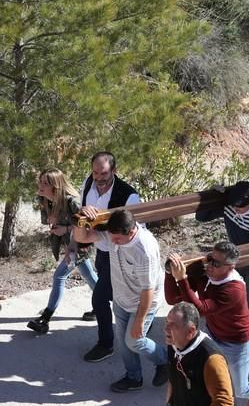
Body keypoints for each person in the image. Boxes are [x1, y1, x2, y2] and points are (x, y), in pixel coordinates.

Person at [73, 209, 168, 392]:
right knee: (124, 343)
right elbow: (83, 237)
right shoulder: (113, 234)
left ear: (131, 232)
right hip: (121, 298)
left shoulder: (143, 250)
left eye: (117, 240)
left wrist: (139, 320)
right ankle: (133, 378)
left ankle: (165, 360)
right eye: (112, 238)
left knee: (134, 341)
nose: (113, 243)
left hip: (143, 302)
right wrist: (80, 220)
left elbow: (148, 289)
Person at [164, 241, 249, 402]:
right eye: (209, 258)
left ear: (231, 267)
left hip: (235, 342)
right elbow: (173, 298)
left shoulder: (233, 290)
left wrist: (182, 279)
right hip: (214, 333)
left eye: (215, 263)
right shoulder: (204, 273)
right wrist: (170, 273)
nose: (209, 265)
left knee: (240, 389)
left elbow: (199, 310)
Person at [195, 180, 249, 354]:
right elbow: (201, 217)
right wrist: (215, 195)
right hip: (238, 262)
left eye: (241, 208)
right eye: (234, 207)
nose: (236, 211)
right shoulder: (230, 207)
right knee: (235, 301)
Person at [80, 151, 140, 363]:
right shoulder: (88, 184)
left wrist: (102, 229)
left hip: (122, 256)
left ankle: (106, 344)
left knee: (99, 298)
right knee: (116, 297)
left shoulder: (129, 195)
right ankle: (139, 328)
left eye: (103, 173)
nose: (98, 177)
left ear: (114, 170)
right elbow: (82, 213)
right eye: (95, 172)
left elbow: (136, 230)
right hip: (102, 252)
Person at [27, 168, 98, 334]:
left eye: (46, 183)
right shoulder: (45, 199)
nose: (41, 185)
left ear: (56, 186)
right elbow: (46, 220)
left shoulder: (71, 202)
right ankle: (104, 303)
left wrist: (65, 229)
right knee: (89, 275)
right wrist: (53, 220)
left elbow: (86, 225)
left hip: (80, 244)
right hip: (69, 244)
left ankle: (45, 318)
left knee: (59, 275)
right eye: (40, 181)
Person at [165, 302, 233, 406]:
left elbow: (224, 402)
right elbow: (173, 379)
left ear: (191, 331)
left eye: (173, 326)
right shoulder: (174, 343)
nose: (166, 329)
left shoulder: (212, 359)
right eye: (167, 323)